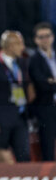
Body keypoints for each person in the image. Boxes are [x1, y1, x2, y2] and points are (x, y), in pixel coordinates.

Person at [0, 31, 31, 162]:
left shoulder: (22, 64)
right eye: (20, 44)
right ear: (10, 46)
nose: (23, 47)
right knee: (0, 158)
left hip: (20, 119)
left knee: (24, 158)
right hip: (0, 122)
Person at [29, 22, 56, 161]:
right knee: (48, 147)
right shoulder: (34, 60)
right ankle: (51, 177)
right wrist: (49, 82)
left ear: (53, 37)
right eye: (41, 37)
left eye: (47, 36)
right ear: (36, 40)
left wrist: (51, 81)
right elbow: (42, 84)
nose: (45, 39)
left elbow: (48, 83)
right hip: (46, 108)